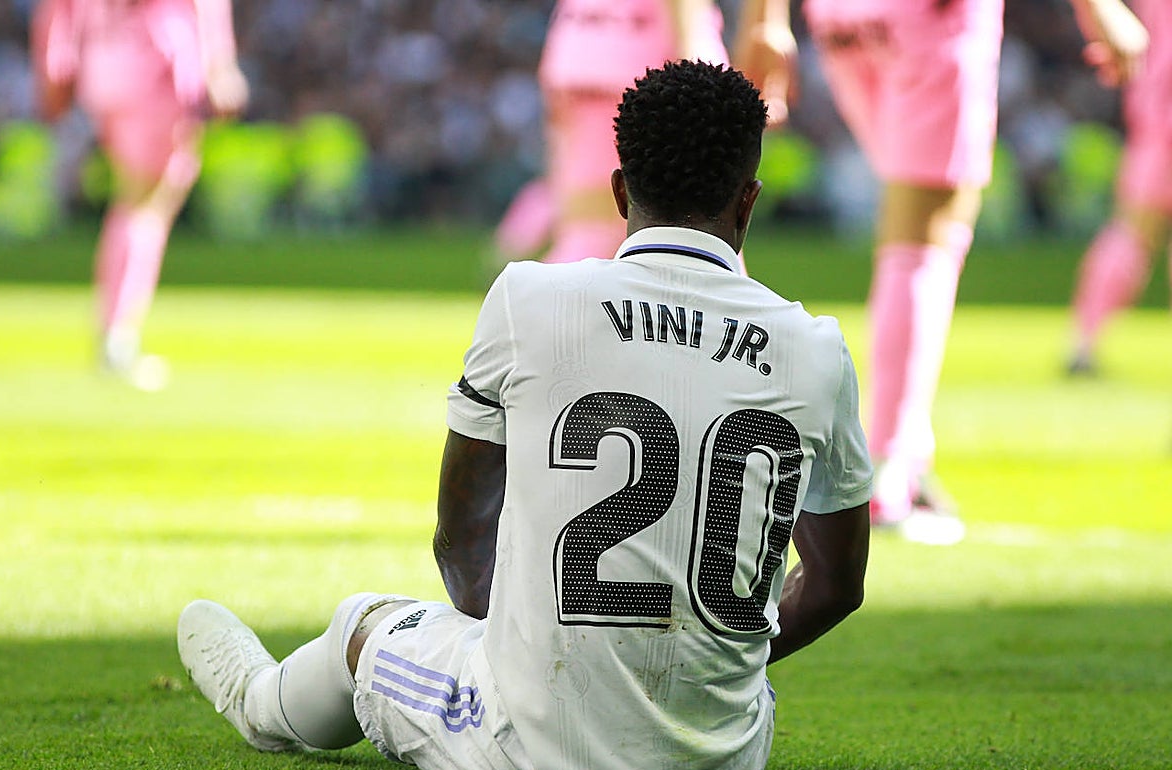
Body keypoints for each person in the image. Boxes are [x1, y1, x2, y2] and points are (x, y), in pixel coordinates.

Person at [178, 60, 872, 770]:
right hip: (722, 757)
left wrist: (520, 645)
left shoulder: (530, 298)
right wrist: (715, 658)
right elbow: (834, 585)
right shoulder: (815, 347)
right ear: (749, 201)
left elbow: (461, 537)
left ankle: (260, 703)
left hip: (531, 744)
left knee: (364, 624)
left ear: (618, 190)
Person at [735, 0, 1148, 544]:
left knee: (914, 218)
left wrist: (764, 18)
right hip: (928, 14)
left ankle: (905, 454)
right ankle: (890, 468)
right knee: (926, 234)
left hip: (839, 17)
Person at [31, 0, 248, 390]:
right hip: (157, 63)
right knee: (146, 206)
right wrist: (219, 63)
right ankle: (118, 337)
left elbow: (57, 11)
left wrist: (54, 64)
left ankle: (116, 331)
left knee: (137, 202)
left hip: (104, 64)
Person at [497, 0, 732, 266]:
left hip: (586, 54)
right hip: (636, 66)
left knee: (593, 231)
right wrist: (699, 82)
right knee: (686, 239)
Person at [1068, 0, 1171, 376]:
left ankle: (1082, 343)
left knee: (1131, 232)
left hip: (1153, 112)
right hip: (1159, 110)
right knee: (1131, 233)